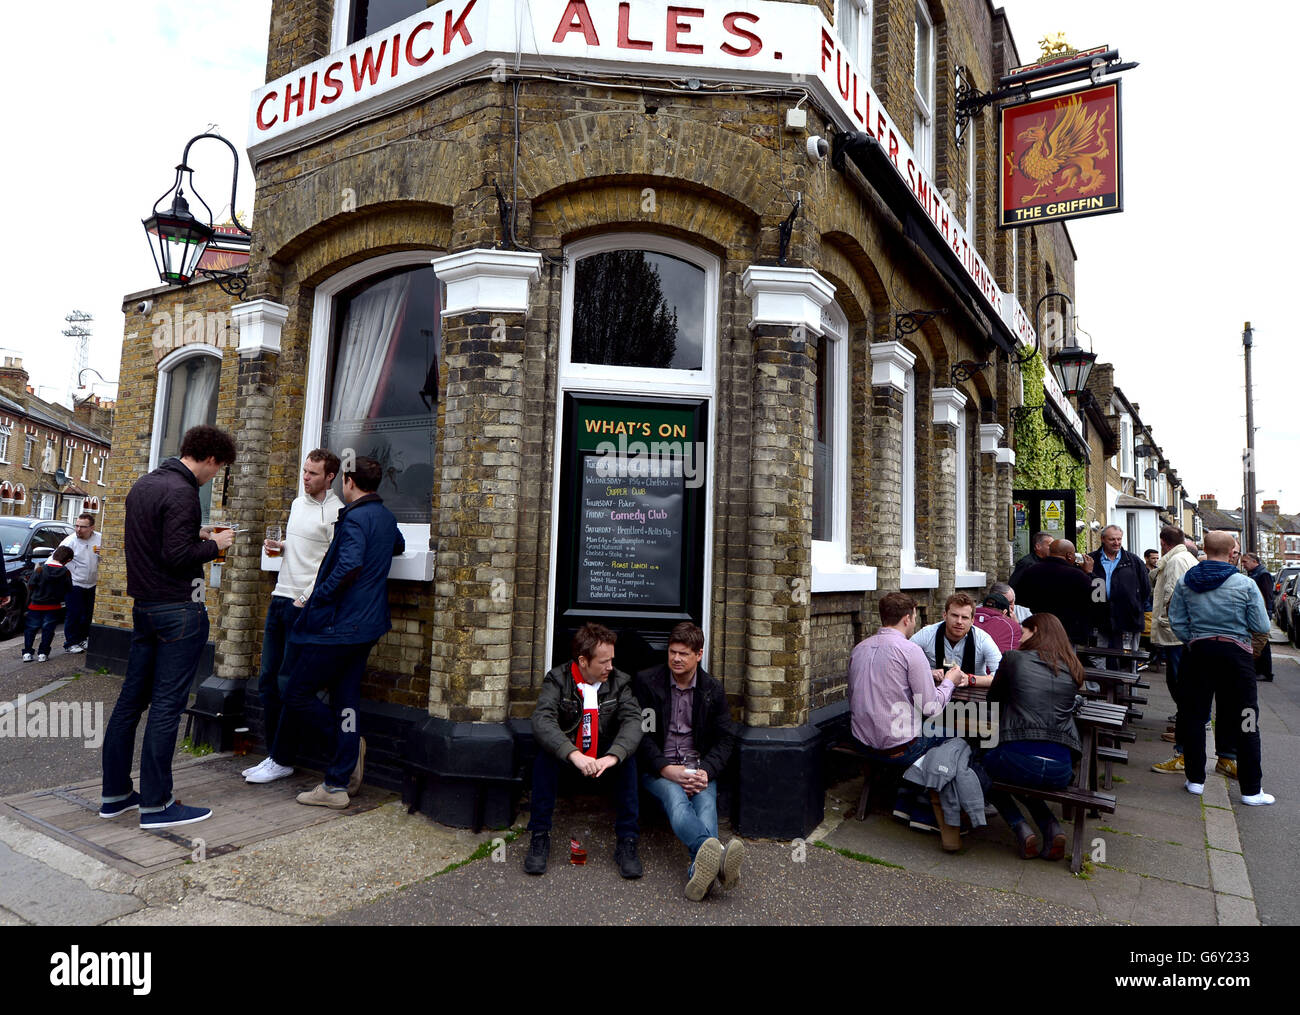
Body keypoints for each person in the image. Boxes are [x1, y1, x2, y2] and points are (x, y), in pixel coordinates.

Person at [100, 424, 237, 829]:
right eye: (219, 468)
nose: (215, 476)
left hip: (144, 609)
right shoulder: (184, 492)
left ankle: (116, 795)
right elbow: (178, 556)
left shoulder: (145, 485)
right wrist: (217, 544)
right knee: (166, 707)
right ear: (210, 458)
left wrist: (195, 534)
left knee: (130, 704)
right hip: (179, 611)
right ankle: (157, 806)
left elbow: (158, 541)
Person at [281, 456, 404, 808]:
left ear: (348, 482)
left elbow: (349, 564)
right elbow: (397, 545)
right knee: (346, 698)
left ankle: (344, 752)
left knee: (297, 693)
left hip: (340, 627)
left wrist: (318, 596)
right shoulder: (384, 516)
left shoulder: (354, 519)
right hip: (368, 626)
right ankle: (336, 784)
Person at [242, 450, 345, 785]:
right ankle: (274, 755)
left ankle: (285, 757)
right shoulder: (298, 504)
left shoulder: (337, 512)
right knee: (267, 680)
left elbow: (331, 566)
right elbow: (306, 549)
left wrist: (306, 598)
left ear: (330, 477)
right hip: (279, 598)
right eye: (304, 472)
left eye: (313, 474)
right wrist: (283, 547)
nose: (306, 478)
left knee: (290, 684)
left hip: (304, 606)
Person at [848, 592, 966, 848]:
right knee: (954, 737)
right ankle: (922, 808)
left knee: (928, 731)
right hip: (897, 749)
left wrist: (926, 674)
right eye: (913, 618)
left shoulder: (860, 648)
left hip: (860, 743)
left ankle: (903, 800)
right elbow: (931, 706)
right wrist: (950, 681)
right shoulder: (911, 650)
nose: (914, 623)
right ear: (906, 618)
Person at [525, 623, 644, 878]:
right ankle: (539, 835)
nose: (610, 667)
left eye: (611, 660)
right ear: (583, 661)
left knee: (628, 760)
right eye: (603, 662)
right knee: (545, 757)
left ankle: (627, 841)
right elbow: (542, 720)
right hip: (571, 761)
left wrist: (612, 757)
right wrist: (573, 754)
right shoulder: (558, 679)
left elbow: (634, 721)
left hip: (604, 763)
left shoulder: (620, 682)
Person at [634, 622, 742, 901]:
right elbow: (641, 737)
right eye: (672, 652)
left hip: (698, 768)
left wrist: (706, 771)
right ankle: (718, 856)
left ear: (699, 654)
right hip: (661, 769)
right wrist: (666, 769)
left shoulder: (712, 690)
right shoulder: (648, 683)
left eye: (683, 653)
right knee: (677, 803)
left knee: (706, 804)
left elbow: (725, 740)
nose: (676, 659)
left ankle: (699, 868)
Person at [1169, 531, 1274, 805]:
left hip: (1198, 654)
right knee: (1247, 718)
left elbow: (1177, 621)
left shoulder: (1185, 581)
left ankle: (1195, 780)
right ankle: (1252, 790)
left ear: (1204, 548)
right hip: (1235, 655)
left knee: (1192, 716)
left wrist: (1192, 640)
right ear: (1232, 553)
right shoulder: (1245, 584)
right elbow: (1262, 626)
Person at [982, 613, 1083, 861]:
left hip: (1018, 759)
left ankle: (1020, 828)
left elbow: (992, 701)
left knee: (980, 765)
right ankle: (1051, 827)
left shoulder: (1013, 659)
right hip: (1061, 768)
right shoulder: (1073, 668)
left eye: (1023, 632)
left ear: (1035, 631)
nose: (1019, 639)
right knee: (1024, 775)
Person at [1150, 526, 1211, 776]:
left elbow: (1171, 594)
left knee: (1179, 681)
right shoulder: (1184, 557)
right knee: (1179, 680)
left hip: (1176, 632)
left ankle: (1185, 742)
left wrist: (1167, 622)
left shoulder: (1176, 561)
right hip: (1182, 630)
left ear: (1163, 543)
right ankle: (1186, 728)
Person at [1013, 537, 1097, 647]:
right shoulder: (1078, 576)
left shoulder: (1030, 572)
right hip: (1067, 632)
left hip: (1037, 628)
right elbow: (1096, 599)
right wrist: (1090, 573)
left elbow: (1020, 598)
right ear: (1069, 555)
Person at [1088, 525, 1152, 667]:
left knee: (1127, 659)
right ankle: (1097, 690)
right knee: (1096, 658)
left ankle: (1125, 689)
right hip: (1098, 618)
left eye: (1119, 539)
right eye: (1112, 539)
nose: (1116, 543)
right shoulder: (1091, 560)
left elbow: (1145, 590)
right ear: (1103, 539)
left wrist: (1133, 604)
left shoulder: (1134, 561)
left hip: (1127, 618)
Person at [910, 592, 1003, 688]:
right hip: (935, 695)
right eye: (954, 615)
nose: (959, 621)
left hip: (974, 697)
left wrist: (971, 679)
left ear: (972, 621)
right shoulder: (927, 634)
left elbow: (1002, 676)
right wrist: (928, 673)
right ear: (945, 615)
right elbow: (902, 662)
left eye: (964, 617)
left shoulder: (983, 640)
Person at [58, 513, 101, 653]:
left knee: (88, 614)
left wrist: (105, 553)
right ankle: (70, 643)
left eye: (83, 527)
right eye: (76, 526)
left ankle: (83, 639)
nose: (78, 529)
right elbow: (55, 559)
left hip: (92, 583)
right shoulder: (69, 541)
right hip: (74, 583)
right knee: (74, 613)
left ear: (92, 527)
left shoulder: (100, 539)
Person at [23, 545, 74, 662]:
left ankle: (27, 653)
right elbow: (68, 589)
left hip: (36, 605)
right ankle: (43, 653)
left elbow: (31, 585)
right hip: (53, 606)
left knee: (31, 629)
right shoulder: (66, 572)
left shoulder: (40, 569)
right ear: (68, 560)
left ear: (54, 555)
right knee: (48, 630)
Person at [1241, 552, 1275, 682]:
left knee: (1263, 644)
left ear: (1254, 561)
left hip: (1262, 613)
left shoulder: (1263, 574)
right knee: (1260, 643)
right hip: (1259, 612)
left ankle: (1265, 672)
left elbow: (1266, 596)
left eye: (1245, 562)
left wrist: (1266, 612)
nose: (1243, 565)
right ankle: (1261, 671)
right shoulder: (1255, 573)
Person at [974, 586, 1021, 654]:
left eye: (1012, 602)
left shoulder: (967, 617)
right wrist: (1016, 624)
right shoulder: (1012, 626)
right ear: (1005, 612)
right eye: (1009, 603)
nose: (1011, 607)